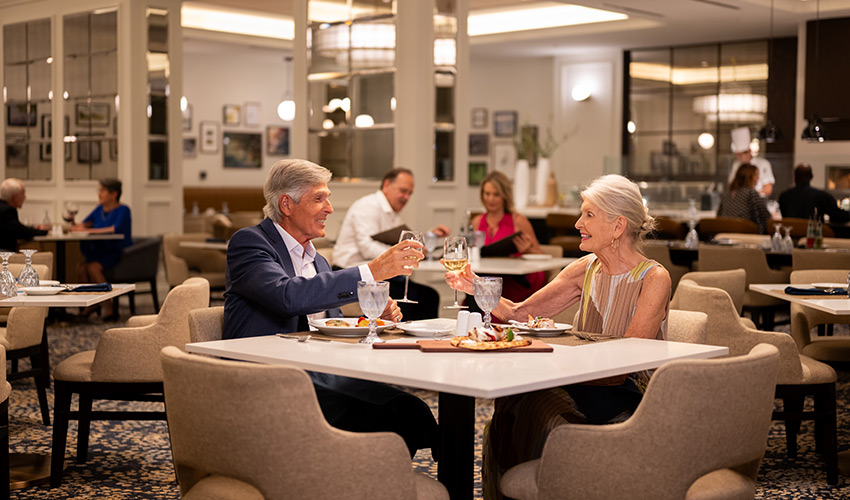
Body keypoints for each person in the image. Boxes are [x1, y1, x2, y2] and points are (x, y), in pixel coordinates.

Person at [445, 174, 671, 500]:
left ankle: (561, 484)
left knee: (536, 406)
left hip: (626, 396)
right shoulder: (586, 268)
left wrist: (562, 359)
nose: (579, 222)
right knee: (513, 401)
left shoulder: (653, 278)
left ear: (618, 226)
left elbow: (628, 362)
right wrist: (474, 284)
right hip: (580, 384)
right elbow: (521, 314)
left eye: (589, 215)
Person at [224, 159, 439, 459]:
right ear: (286, 204)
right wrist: (372, 270)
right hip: (271, 378)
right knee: (387, 417)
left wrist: (372, 319)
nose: (330, 208)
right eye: (319, 198)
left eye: (328, 198)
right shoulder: (250, 243)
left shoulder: (318, 261)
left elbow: (329, 328)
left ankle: (377, 482)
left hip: (318, 372)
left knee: (410, 408)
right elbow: (288, 296)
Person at [333, 167, 449, 320]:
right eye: (403, 191)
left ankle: (418, 339)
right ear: (386, 185)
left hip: (379, 274)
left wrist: (428, 237)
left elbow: (398, 242)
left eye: (409, 193)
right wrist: (400, 255)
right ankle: (399, 340)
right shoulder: (367, 206)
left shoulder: (393, 212)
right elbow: (367, 247)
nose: (406, 197)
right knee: (416, 297)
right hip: (353, 273)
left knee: (429, 295)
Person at [470, 171, 545, 311]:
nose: (490, 199)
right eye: (487, 194)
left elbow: (540, 255)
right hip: (486, 280)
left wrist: (527, 250)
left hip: (514, 280)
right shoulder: (477, 221)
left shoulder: (518, 221)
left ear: (505, 196)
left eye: (496, 194)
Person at [72, 178, 132, 319]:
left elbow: (113, 229)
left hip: (115, 252)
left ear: (114, 194)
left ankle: (109, 307)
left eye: (102, 191)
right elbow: (85, 224)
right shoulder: (99, 209)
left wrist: (91, 230)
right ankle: (90, 304)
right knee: (81, 267)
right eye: (99, 190)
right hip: (98, 250)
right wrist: (78, 225)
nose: (99, 194)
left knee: (93, 268)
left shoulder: (123, 210)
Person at [778, 163, 850, 223]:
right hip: (814, 236)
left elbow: (785, 216)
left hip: (792, 234)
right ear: (811, 176)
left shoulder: (784, 196)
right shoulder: (821, 196)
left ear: (795, 177)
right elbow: (838, 216)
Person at [717, 163, 772, 234]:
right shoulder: (750, 193)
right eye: (756, 175)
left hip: (725, 233)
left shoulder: (727, 193)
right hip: (746, 233)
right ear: (749, 176)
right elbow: (765, 217)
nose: (758, 178)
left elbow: (719, 215)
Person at [0, 178, 48, 251]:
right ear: (15, 197)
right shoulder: (7, 210)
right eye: (23, 194)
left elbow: (16, 227)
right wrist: (42, 231)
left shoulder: (3, 208)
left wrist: (33, 228)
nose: (25, 197)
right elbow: (20, 232)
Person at [727, 126, 775, 198]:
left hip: (758, 200)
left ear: (749, 151)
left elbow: (768, 189)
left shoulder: (763, 164)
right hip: (739, 201)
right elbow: (731, 186)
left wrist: (750, 195)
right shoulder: (736, 164)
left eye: (740, 154)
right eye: (737, 154)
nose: (738, 157)